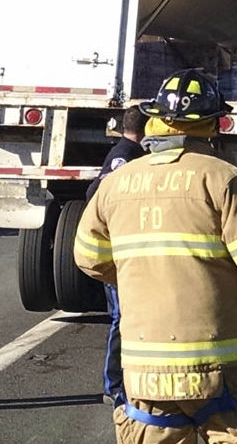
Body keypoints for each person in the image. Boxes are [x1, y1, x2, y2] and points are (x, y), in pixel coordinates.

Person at [74, 69, 237, 444]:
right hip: (224, 372)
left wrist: (145, 273)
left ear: (157, 121)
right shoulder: (225, 181)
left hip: (145, 372)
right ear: (214, 125)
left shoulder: (115, 185)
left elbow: (88, 257)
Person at [86, 106, 148, 405]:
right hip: (118, 250)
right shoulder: (128, 156)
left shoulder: (122, 151)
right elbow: (97, 194)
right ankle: (113, 386)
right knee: (122, 318)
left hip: (117, 248)